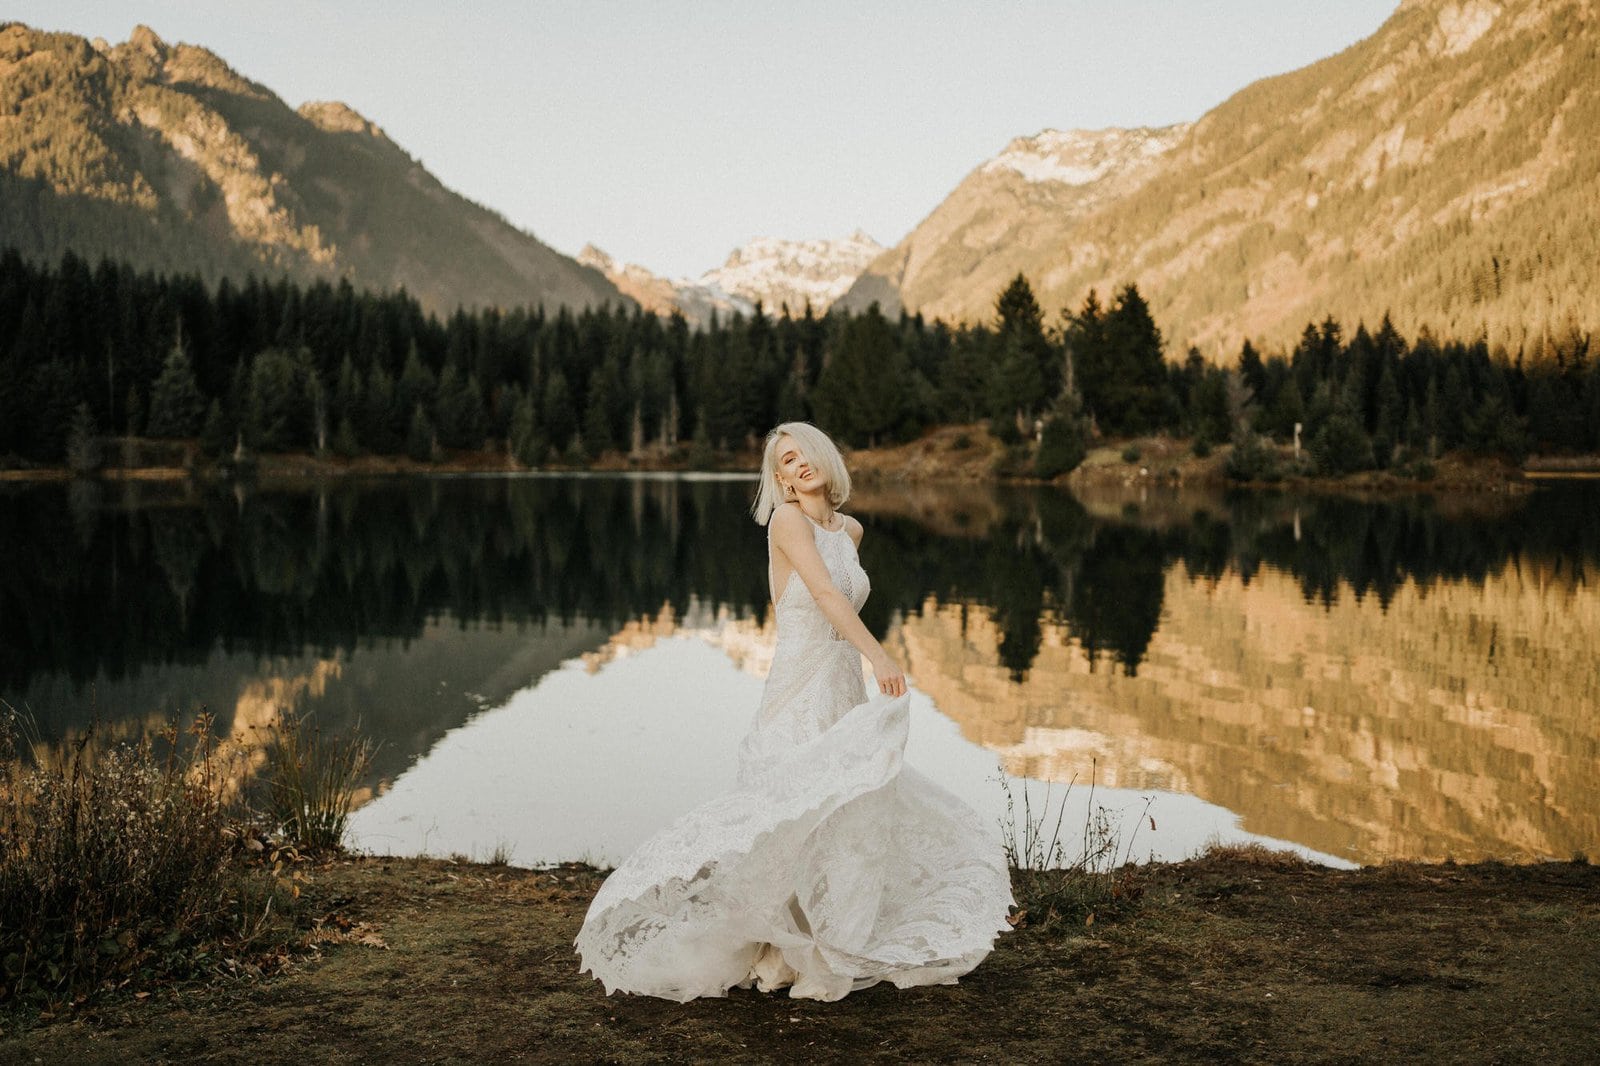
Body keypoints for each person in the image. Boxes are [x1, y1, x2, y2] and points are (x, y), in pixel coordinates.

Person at [575, 421, 1011, 1002]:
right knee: (789, 811)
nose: (800, 463)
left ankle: (822, 941)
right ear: (780, 478)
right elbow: (826, 596)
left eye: (806, 452)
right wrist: (881, 656)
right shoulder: (786, 521)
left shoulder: (850, 530)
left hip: (841, 685)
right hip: (798, 685)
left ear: (826, 459)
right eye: (786, 459)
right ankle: (777, 946)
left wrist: (862, 665)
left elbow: (845, 597)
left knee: (841, 810)